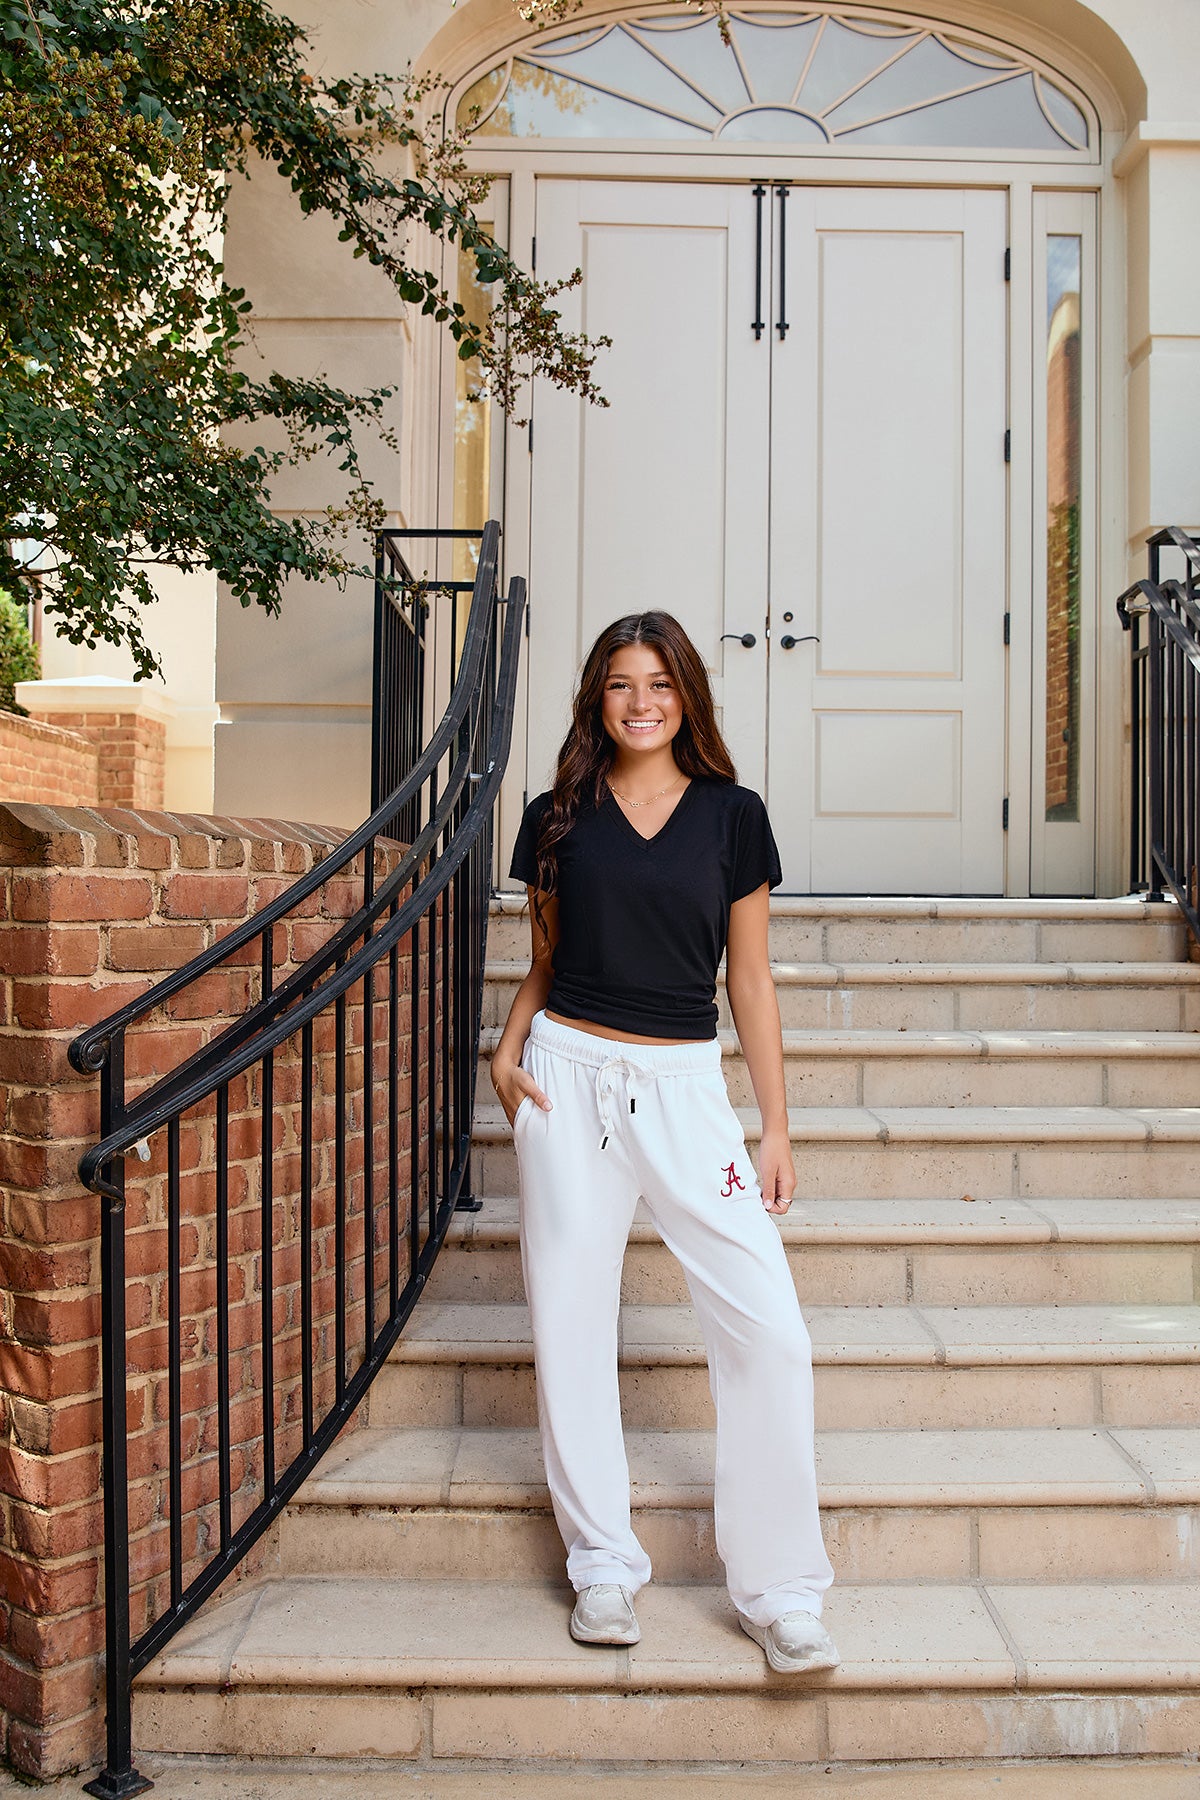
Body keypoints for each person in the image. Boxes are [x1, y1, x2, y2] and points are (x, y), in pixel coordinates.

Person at [490, 611, 837, 1675]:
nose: (641, 702)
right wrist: (508, 1051)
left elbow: (752, 980)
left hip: (687, 1090)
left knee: (771, 1332)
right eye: (619, 686)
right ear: (597, 700)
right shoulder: (557, 816)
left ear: (688, 696)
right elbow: (549, 954)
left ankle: (781, 1593)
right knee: (572, 1322)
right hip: (567, 1081)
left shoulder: (734, 817)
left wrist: (774, 1124)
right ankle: (602, 1566)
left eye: (661, 684)